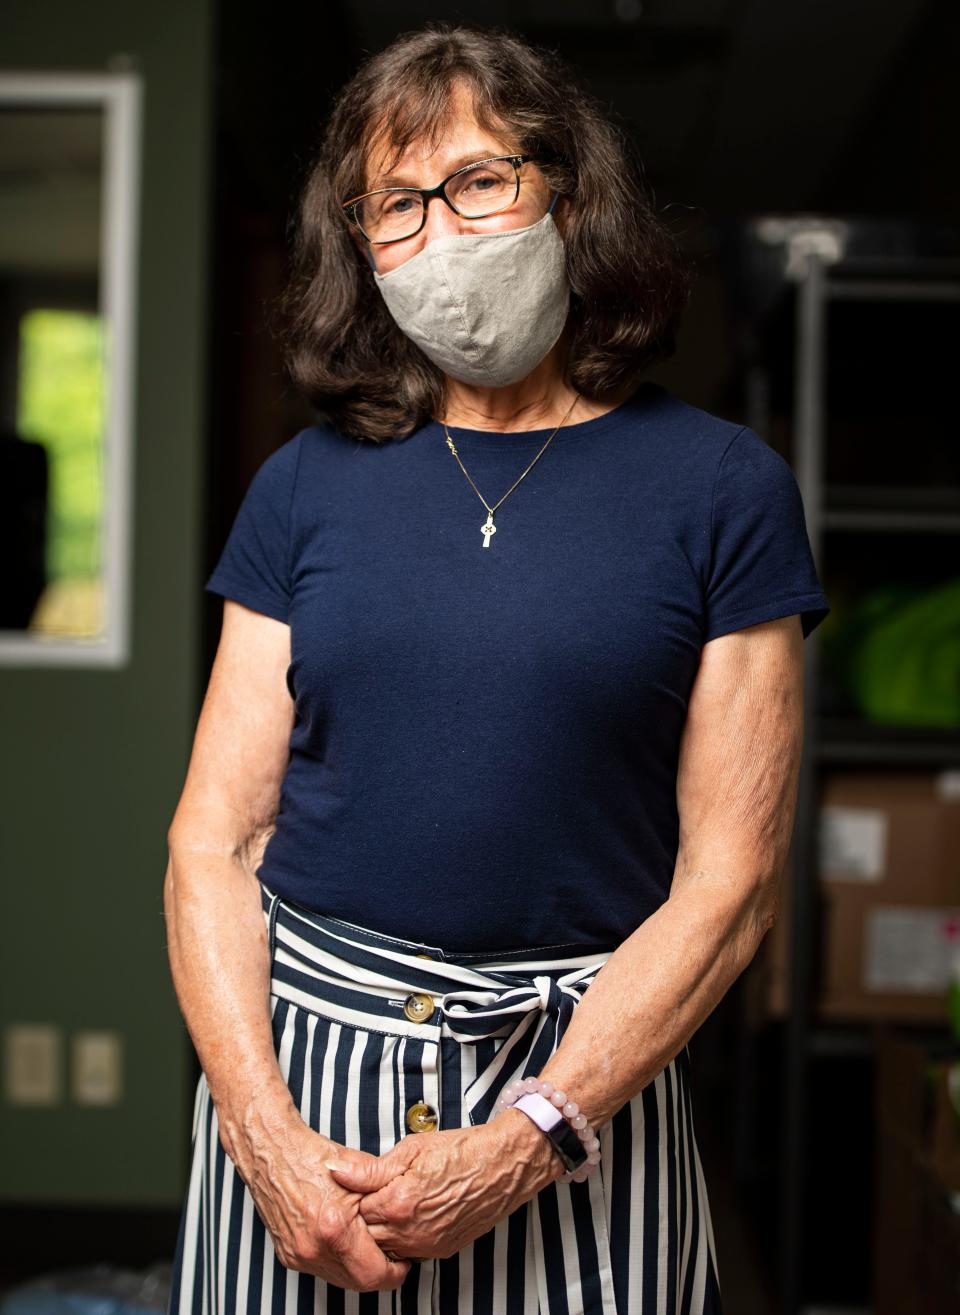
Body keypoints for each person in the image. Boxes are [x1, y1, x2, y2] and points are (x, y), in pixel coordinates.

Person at [164, 22, 830, 1315]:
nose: (444, 232)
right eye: (396, 204)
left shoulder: (722, 489)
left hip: (581, 1083)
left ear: (570, 198)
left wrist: (533, 1134)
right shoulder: (303, 489)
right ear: (358, 244)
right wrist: (262, 1136)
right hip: (301, 1095)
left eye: (482, 180)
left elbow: (731, 884)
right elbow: (215, 844)